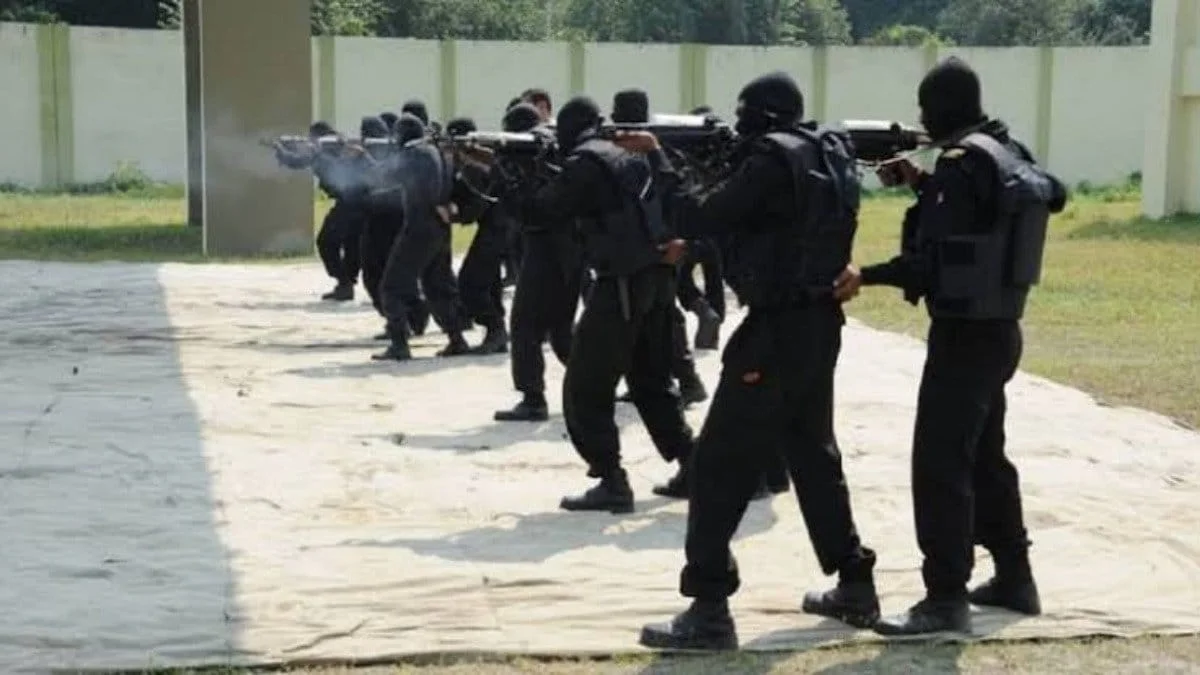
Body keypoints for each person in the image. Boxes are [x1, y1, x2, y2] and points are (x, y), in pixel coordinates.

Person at [623, 72, 879, 650]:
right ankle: (855, 582)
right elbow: (766, 225)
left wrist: (659, 158)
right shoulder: (825, 151)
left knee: (717, 464)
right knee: (813, 456)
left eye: (744, 117)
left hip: (775, 332)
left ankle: (709, 608)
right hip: (818, 324)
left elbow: (698, 216)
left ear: (760, 117)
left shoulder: (769, 161)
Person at [834, 57, 1066, 636]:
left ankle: (944, 597)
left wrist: (866, 275)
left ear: (938, 109)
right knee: (985, 455)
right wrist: (922, 183)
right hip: (1001, 329)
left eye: (925, 108)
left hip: (963, 335)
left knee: (940, 463)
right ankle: (1014, 576)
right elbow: (985, 222)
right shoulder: (1006, 152)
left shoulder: (962, 164)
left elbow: (933, 263)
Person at [525, 96, 695, 513]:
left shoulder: (586, 162)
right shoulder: (628, 154)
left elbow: (542, 211)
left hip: (621, 283)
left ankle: (611, 479)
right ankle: (693, 463)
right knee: (651, 381)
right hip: (655, 278)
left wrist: (515, 177)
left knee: (585, 386)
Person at [608, 88, 708, 412]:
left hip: (660, 245)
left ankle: (687, 381)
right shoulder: (652, 148)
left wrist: (676, 241)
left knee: (662, 315)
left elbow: (674, 195)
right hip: (650, 244)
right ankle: (665, 380)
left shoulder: (656, 150)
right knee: (654, 316)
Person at [493, 103, 584, 422]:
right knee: (561, 331)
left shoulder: (538, 154)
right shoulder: (556, 147)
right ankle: (594, 383)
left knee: (524, 325)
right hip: (570, 249)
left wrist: (503, 173)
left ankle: (533, 398)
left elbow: (528, 209)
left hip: (547, 246)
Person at [372, 112, 470, 361]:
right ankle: (456, 338)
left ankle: (399, 343)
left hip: (418, 228)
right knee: (437, 285)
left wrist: (368, 157)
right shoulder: (435, 151)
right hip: (439, 227)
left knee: (391, 287)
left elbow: (380, 178)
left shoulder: (412, 154)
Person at [273, 121, 364, 302]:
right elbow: (297, 162)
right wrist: (281, 150)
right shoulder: (325, 151)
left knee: (327, 242)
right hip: (353, 204)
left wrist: (314, 152)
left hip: (352, 205)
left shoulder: (343, 150)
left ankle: (345, 283)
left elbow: (333, 166)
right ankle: (345, 284)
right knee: (350, 245)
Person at [447, 115, 510, 354]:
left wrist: (453, 214)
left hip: (498, 229)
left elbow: (476, 206)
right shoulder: (478, 162)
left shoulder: (475, 166)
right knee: (489, 282)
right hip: (499, 227)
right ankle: (497, 333)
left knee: (470, 282)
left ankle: (495, 328)